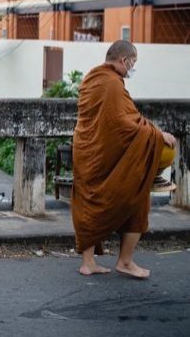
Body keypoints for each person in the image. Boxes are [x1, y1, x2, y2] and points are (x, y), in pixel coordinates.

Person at [72, 40, 176, 279]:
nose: (133, 67)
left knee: (89, 203)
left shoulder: (93, 77)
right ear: (123, 61)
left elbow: (117, 118)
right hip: (101, 153)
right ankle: (125, 262)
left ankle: (88, 263)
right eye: (133, 63)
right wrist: (157, 134)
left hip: (87, 150)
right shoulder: (111, 84)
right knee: (138, 201)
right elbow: (124, 122)